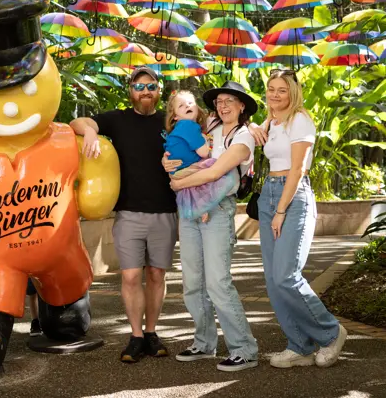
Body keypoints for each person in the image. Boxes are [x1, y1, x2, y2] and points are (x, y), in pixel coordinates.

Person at [70, 66, 177, 363]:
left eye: (151, 86)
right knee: (130, 276)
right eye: (139, 86)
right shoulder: (117, 119)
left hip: (165, 212)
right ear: (130, 90)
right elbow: (76, 121)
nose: (145, 91)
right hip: (128, 213)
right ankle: (136, 336)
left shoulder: (169, 123)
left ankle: (152, 332)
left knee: (156, 274)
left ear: (158, 91)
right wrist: (91, 129)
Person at [164, 81, 259, 372]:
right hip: (191, 210)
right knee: (192, 282)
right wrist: (168, 163)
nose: (224, 105)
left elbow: (216, 171)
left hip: (218, 210)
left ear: (242, 106)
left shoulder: (244, 137)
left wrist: (177, 182)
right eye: (219, 101)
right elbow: (177, 146)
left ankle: (244, 348)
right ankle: (204, 343)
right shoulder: (210, 128)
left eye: (231, 100)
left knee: (217, 282)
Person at [258, 69, 347, 368]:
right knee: (273, 280)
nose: (274, 94)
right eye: (271, 88)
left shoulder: (301, 120)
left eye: (282, 90)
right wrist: (265, 121)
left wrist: (281, 210)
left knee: (286, 275)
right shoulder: (274, 122)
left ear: (293, 93)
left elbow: (296, 170)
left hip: (292, 197)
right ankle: (299, 344)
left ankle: (331, 333)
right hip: (268, 193)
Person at [163, 90, 240, 223]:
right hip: (185, 168)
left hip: (177, 171)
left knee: (191, 188)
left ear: (196, 108)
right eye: (181, 106)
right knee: (216, 169)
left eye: (190, 103)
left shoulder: (181, 127)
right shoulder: (188, 125)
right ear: (175, 116)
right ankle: (202, 208)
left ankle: (198, 210)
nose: (187, 106)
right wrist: (205, 139)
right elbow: (204, 152)